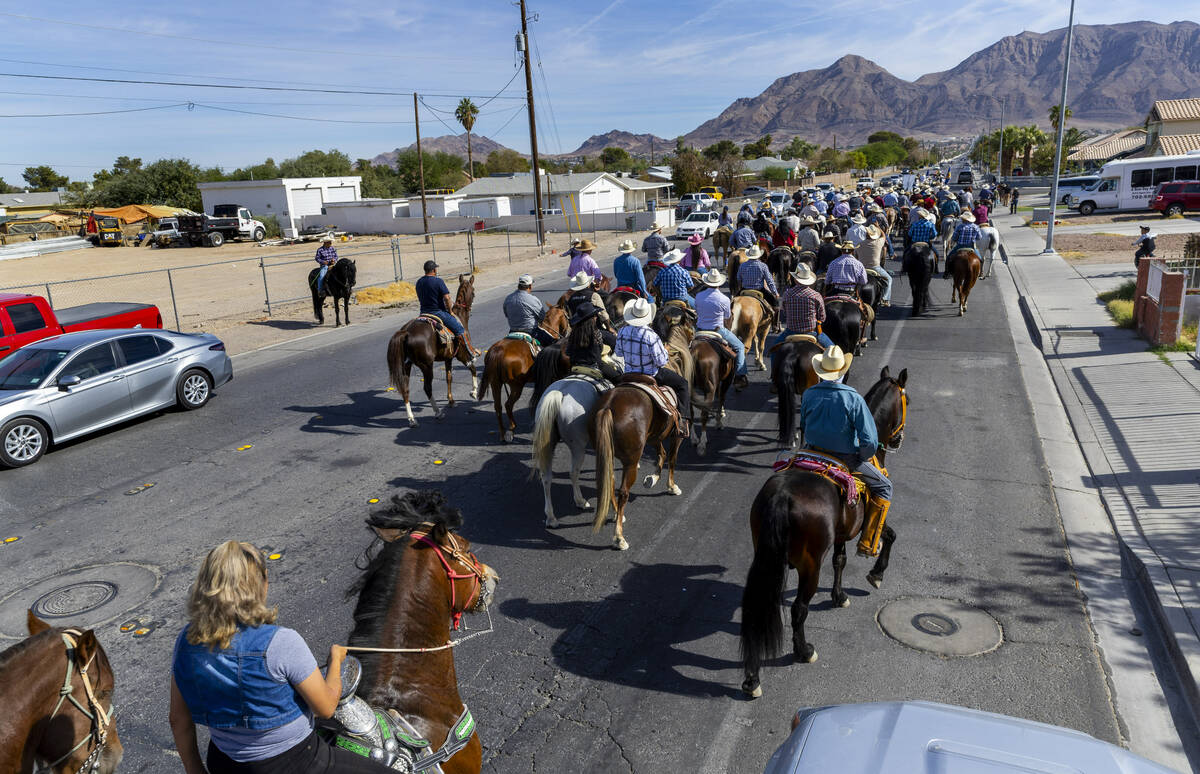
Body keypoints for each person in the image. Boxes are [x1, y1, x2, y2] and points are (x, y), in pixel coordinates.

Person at [170, 541, 391, 774]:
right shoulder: (282, 643)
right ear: (262, 584)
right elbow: (325, 708)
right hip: (294, 762)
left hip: (224, 762)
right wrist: (336, 661)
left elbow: (178, 719)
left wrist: (195, 769)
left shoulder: (186, 640)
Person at [798, 346, 893, 557]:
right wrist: (863, 456)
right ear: (842, 371)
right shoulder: (854, 399)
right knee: (885, 487)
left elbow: (804, 424)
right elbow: (869, 441)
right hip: (845, 458)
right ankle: (868, 543)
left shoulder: (809, 394)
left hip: (810, 451)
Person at [616, 298, 690, 435]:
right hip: (651, 375)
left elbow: (618, 353)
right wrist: (665, 351)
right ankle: (683, 421)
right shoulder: (651, 336)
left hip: (628, 374)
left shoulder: (622, 331)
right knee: (682, 384)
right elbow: (661, 361)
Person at [771, 264, 834, 374]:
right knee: (833, 350)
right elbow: (822, 318)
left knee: (773, 351)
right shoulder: (816, 295)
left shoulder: (787, 294)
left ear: (795, 279)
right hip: (812, 333)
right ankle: (831, 379)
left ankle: (774, 376)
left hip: (790, 332)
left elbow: (784, 311)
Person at [694, 268, 749, 390]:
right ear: (719, 283)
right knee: (739, 347)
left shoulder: (698, 296)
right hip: (718, 330)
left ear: (707, 282)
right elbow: (727, 317)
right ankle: (740, 375)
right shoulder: (724, 299)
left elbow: (697, 312)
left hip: (699, 329)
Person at [415, 260, 480, 357]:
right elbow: (447, 298)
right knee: (460, 329)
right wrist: (450, 311)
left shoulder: (419, 282)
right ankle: (471, 352)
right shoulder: (438, 281)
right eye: (436, 269)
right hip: (437, 313)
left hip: (423, 313)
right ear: (434, 270)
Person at [566, 301, 623, 382]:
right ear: (592, 319)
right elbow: (598, 360)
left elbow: (568, 352)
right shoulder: (597, 334)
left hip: (575, 367)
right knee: (619, 379)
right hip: (594, 367)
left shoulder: (573, 335)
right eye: (595, 315)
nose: (596, 317)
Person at [504, 274, 554, 346]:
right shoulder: (533, 299)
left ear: (519, 285)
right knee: (553, 344)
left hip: (512, 331)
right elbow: (542, 316)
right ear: (530, 286)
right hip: (531, 332)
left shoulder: (508, 298)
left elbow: (506, 314)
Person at [736, 245, 779, 319]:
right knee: (776, 305)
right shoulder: (763, 266)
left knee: (733, 304)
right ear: (759, 255)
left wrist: (739, 289)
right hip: (760, 290)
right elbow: (769, 281)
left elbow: (738, 279)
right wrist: (775, 292)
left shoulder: (742, 265)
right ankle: (775, 325)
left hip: (744, 290)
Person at [856, 224, 892, 306]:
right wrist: (879, 227)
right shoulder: (878, 242)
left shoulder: (859, 244)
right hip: (875, 268)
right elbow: (884, 236)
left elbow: (856, 257)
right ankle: (885, 299)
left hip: (862, 268)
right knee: (889, 279)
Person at [947, 211, 983, 278]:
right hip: (971, 246)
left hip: (960, 246)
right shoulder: (976, 227)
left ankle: (947, 272)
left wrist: (955, 240)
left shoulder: (960, 227)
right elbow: (979, 237)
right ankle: (980, 273)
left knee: (949, 257)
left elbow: (954, 238)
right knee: (980, 259)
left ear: (964, 219)